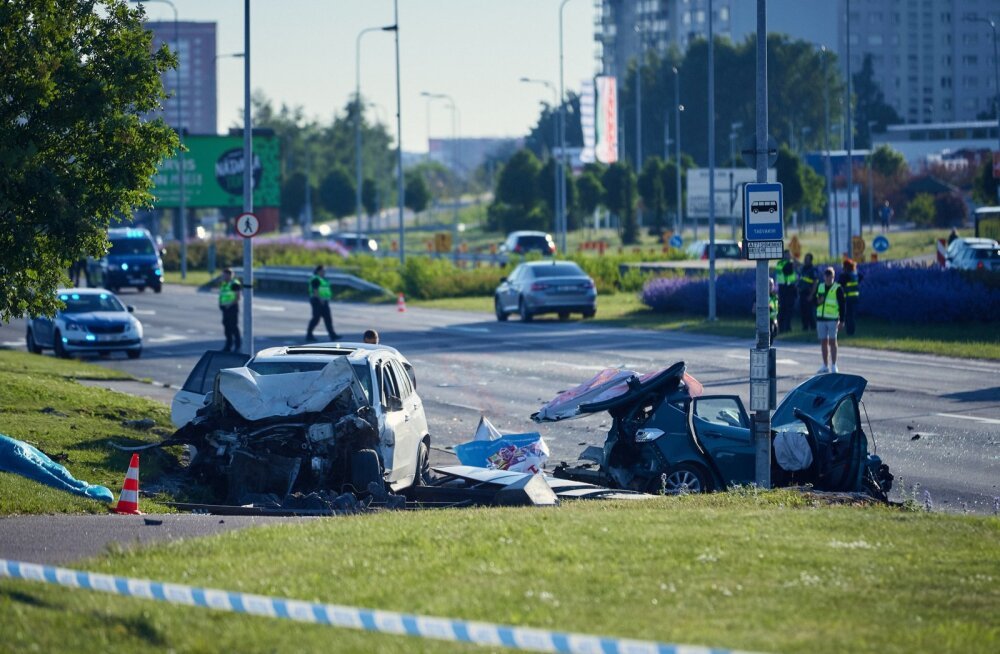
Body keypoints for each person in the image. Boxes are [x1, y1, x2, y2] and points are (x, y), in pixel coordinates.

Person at [815, 267, 846, 374]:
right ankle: (825, 365)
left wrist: (842, 320)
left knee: (833, 341)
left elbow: (842, 305)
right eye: (826, 276)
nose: (828, 278)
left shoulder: (838, 288)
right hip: (821, 318)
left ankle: (834, 365)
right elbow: (815, 302)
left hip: (832, 319)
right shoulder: (820, 287)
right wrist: (818, 301)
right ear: (824, 277)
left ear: (833, 277)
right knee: (823, 342)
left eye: (830, 276)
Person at [306, 264, 340, 342]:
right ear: (318, 271)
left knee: (328, 319)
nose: (324, 272)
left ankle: (332, 335)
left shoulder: (323, 279)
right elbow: (315, 290)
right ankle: (309, 334)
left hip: (324, 301)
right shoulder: (316, 279)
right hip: (317, 300)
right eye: (323, 271)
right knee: (316, 318)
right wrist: (320, 299)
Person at [219, 268, 242, 352]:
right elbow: (222, 294)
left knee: (233, 327)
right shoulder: (224, 283)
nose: (223, 276)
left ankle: (238, 345)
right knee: (227, 327)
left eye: (225, 275)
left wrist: (229, 305)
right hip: (225, 308)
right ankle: (228, 345)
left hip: (232, 308)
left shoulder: (235, 283)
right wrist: (221, 304)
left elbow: (238, 297)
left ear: (229, 275)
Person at [774, 249, 798, 333]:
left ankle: (784, 327)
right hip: (785, 288)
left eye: (789, 255)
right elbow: (790, 270)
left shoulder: (781, 263)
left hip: (788, 288)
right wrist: (794, 260)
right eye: (787, 255)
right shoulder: (785, 264)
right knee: (785, 309)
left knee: (786, 309)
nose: (788, 256)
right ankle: (785, 327)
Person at [838, 259, 861, 336]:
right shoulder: (855, 274)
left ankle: (849, 331)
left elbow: (839, 285)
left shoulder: (845, 276)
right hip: (855, 297)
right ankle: (851, 330)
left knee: (848, 315)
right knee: (851, 315)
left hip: (847, 298)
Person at [797, 252, 818, 332]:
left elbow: (815, 282)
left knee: (810, 312)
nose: (805, 260)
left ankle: (813, 327)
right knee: (803, 311)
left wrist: (811, 295)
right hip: (802, 293)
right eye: (805, 259)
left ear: (811, 260)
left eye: (807, 259)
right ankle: (805, 327)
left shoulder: (813, 269)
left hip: (809, 293)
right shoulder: (803, 268)